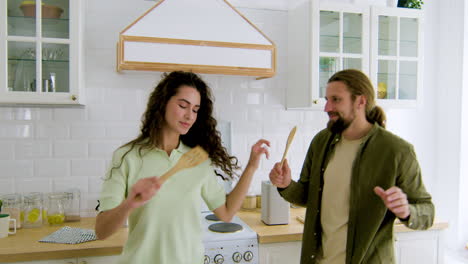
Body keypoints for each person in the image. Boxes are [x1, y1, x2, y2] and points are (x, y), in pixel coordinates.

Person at [95, 71, 269, 264]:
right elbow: (102, 231)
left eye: (195, 109)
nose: (189, 116)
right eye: (183, 105)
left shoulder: (197, 159)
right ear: (162, 103)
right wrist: (130, 203)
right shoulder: (128, 157)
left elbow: (226, 213)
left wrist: (252, 166)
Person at [269, 69, 434, 264]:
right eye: (327, 99)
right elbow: (306, 196)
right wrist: (286, 184)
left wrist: (406, 211)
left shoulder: (397, 151)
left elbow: (427, 213)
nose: (327, 107)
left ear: (360, 101)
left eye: (336, 99)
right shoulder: (321, 141)